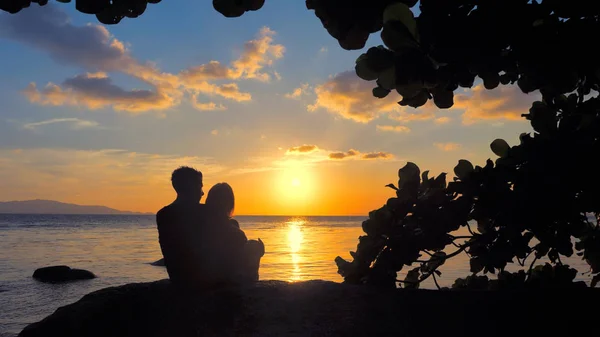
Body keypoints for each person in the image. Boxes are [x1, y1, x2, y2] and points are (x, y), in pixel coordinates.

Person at [156, 166, 208, 286]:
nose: (202, 193)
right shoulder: (204, 212)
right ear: (191, 188)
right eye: (200, 187)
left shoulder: (163, 214)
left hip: (178, 277)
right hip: (202, 278)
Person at [205, 183, 265, 283]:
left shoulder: (201, 227)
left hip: (206, 279)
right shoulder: (235, 233)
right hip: (227, 284)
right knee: (253, 247)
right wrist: (258, 253)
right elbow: (246, 273)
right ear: (230, 204)